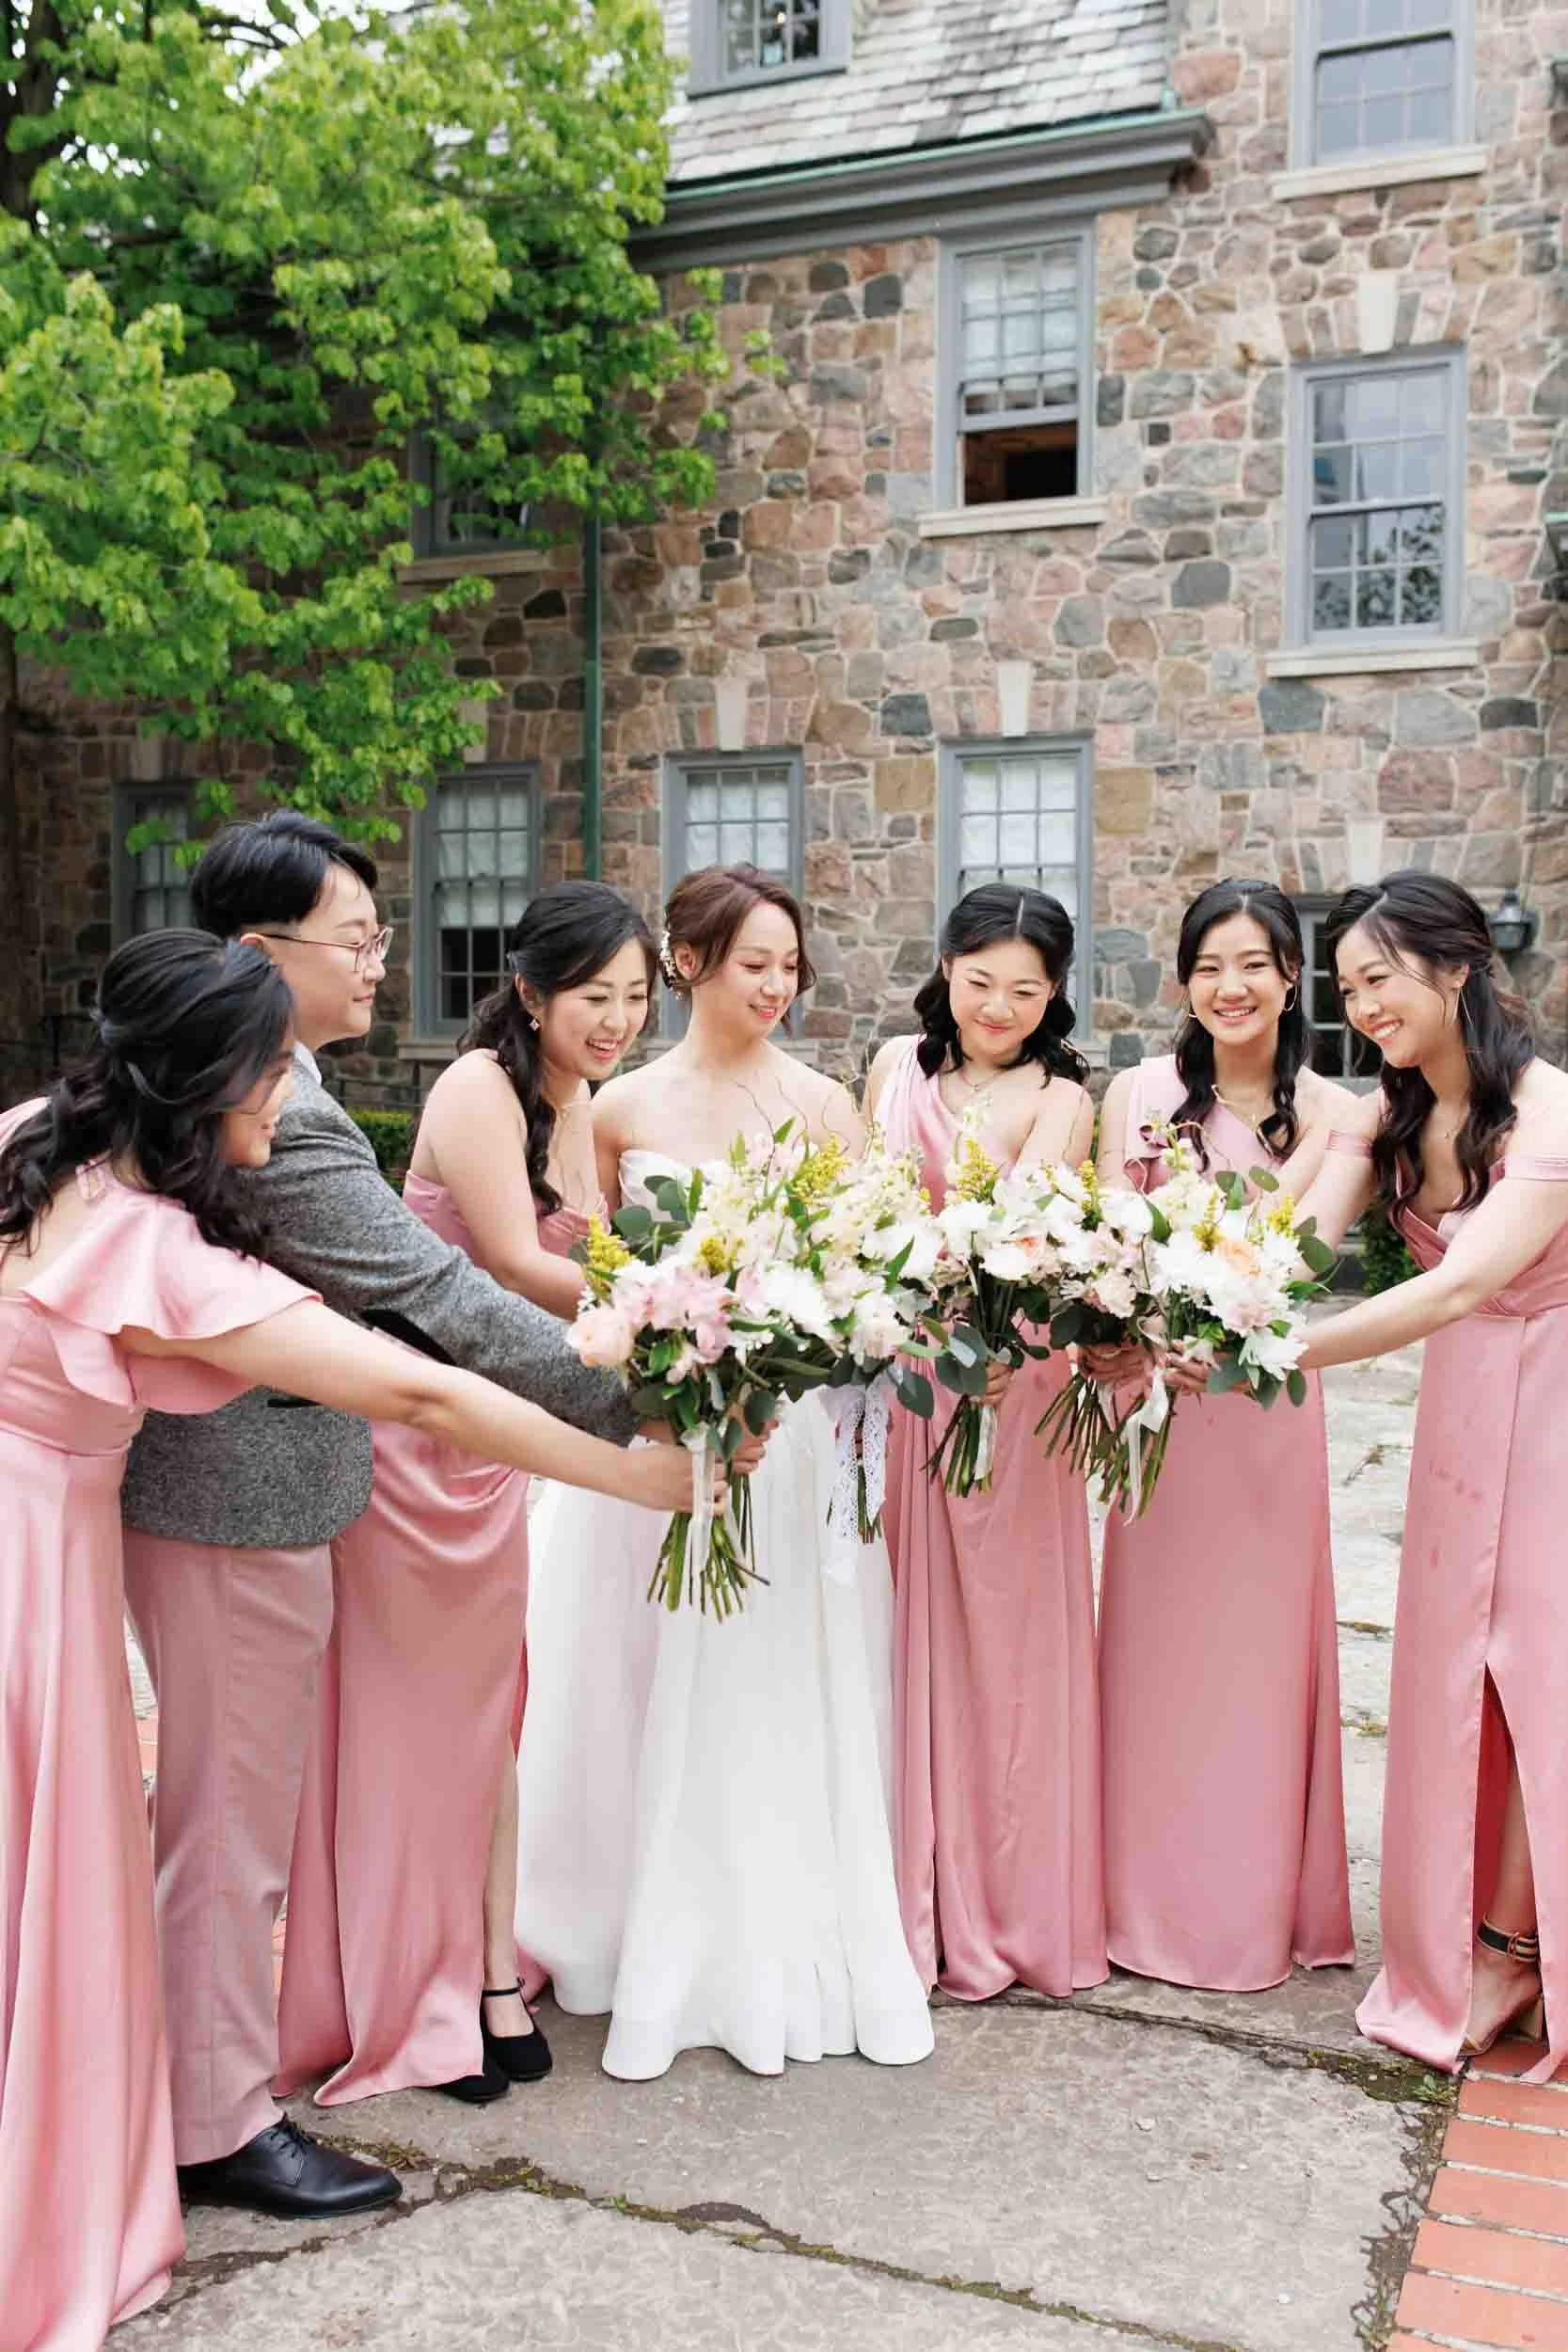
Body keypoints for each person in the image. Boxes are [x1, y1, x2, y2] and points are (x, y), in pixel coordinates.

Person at [0, 931, 705, 2352]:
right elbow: (422, 1392)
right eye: (274, 1076)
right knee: (59, 1855)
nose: (294, 1103)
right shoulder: (159, 1247)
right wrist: (636, 1470)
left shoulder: (29, 1141)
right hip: (33, 1583)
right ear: (206, 1086)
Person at [119, 813, 654, 2219]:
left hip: (254, 1499)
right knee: (227, 1832)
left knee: (233, 1821)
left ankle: (201, 2081)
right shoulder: (276, 1116)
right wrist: (637, 1400)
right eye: (354, 940)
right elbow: (437, 1299)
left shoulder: (263, 1083)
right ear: (255, 955)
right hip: (235, 1509)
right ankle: (215, 2124)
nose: (380, 963)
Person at [515, 864, 936, 2081]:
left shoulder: (821, 1104)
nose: (774, 984)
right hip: (654, 1437)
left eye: (789, 966)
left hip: (783, 1435)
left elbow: (872, 1278)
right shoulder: (613, 1109)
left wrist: (789, 1365)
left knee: (762, 1677)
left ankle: (766, 1926)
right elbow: (593, 1283)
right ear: (687, 962)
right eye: (752, 962)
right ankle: (621, 1913)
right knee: (631, 1666)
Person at [277, 882, 658, 2107]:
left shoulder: (574, 1097)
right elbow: (503, 1264)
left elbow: (592, 1253)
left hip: (496, 1444)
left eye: (637, 998)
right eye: (595, 995)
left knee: (493, 1716)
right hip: (411, 1439)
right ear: (532, 991)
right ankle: (404, 1989)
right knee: (415, 1729)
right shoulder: (473, 1090)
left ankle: (492, 1972)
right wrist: (664, 1325)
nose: (617, 1020)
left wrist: (695, 1293)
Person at [1291, 871, 1568, 2077]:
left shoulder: (1548, 1107)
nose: (1360, 1006)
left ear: (1455, 968)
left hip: (1555, 1403)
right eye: (1346, 987)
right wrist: (1179, 1300)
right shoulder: (1389, 1117)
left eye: (1379, 979)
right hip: (1460, 1422)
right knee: (1450, 1666)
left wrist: (1280, 1346)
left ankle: (1513, 1949)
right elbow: (1288, 1247)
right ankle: (1459, 1933)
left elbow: (1462, 1281)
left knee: (1532, 1676)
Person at [1089, 880, 1354, 1994]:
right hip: (1154, 1404)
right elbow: (1104, 1236)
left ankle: (1241, 1913)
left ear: (1289, 976)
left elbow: (1301, 1258)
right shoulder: (1140, 1093)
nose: (1228, 986)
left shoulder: (1342, 1109)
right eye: (1206, 965)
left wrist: (1222, 1329)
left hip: (1260, 1410)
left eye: (1252, 963)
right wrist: (1140, 1336)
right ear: (1184, 980)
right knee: (1155, 1649)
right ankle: (1132, 1897)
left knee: (1253, 1658)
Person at [865, 883, 1107, 2000]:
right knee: (900, 1622)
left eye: (1024, 988)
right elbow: (868, 1214)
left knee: (1007, 1639)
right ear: (946, 971)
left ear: (1053, 994)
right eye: (979, 982)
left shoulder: (1063, 1096)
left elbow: (1044, 1232)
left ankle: (1007, 1897)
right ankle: (901, 1884)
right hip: (908, 1374)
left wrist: (997, 1338)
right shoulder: (890, 1068)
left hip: (1013, 1385)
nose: (998, 1005)